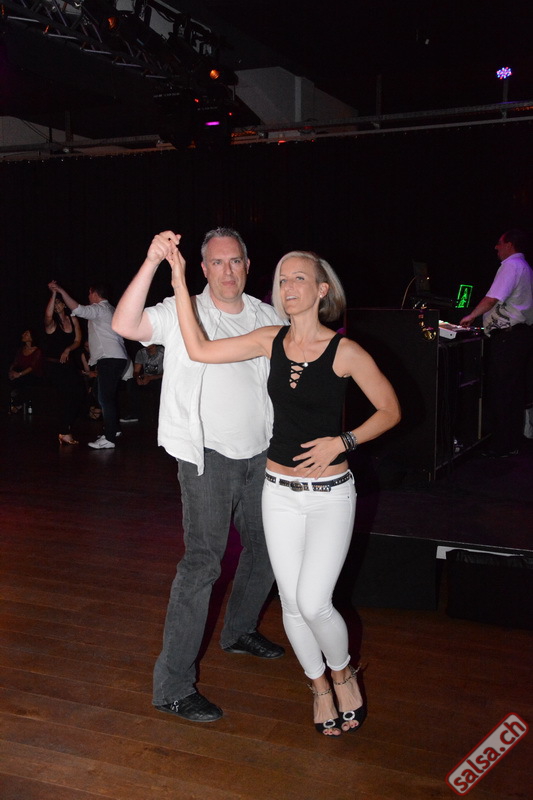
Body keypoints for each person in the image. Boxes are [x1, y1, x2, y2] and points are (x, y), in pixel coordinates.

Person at [164, 230, 401, 737]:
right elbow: (199, 349)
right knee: (292, 605)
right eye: (282, 279)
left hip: (330, 495)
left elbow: (390, 410)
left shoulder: (345, 351)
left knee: (314, 602)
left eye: (299, 278)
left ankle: (342, 673)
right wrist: (180, 281)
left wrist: (344, 441)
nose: (288, 286)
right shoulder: (269, 338)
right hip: (277, 491)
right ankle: (318, 686)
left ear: (321, 290)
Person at [112, 227, 286, 724]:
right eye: (217, 262)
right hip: (206, 458)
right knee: (203, 564)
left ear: (247, 266)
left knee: (266, 547)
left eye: (235, 261)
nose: (227, 271)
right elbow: (125, 323)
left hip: (262, 454)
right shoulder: (181, 309)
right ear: (203, 268)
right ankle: (172, 687)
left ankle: (239, 630)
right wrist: (153, 261)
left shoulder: (265, 315)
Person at [460, 229, 533, 457]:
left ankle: (501, 446)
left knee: (501, 392)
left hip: (508, 338)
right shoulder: (525, 266)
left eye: (499, 243)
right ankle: (511, 443)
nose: (496, 247)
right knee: (513, 392)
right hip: (521, 336)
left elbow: (492, 299)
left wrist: (470, 316)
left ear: (509, 244)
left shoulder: (511, 266)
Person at [48, 280, 128, 449]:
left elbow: (79, 309)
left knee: (105, 398)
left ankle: (109, 438)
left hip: (110, 359)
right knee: (100, 392)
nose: (88, 296)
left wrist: (61, 290)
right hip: (115, 358)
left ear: (94, 293)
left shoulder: (100, 308)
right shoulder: (110, 309)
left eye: (89, 293)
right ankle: (114, 429)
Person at [44, 285, 85, 445]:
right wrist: (54, 293)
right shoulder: (52, 324)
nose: (57, 305)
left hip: (68, 365)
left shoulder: (72, 319)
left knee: (78, 393)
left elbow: (78, 340)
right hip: (54, 366)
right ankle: (64, 431)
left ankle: (64, 429)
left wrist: (68, 349)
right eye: (54, 304)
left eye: (58, 302)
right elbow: (48, 315)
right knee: (66, 396)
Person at [8, 328, 45, 413]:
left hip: (33, 375)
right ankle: (13, 402)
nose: (23, 335)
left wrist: (19, 374)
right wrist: (11, 372)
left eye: (26, 334)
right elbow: (15, 362)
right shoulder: (21, 349)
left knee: (24, 380)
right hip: (20, 373)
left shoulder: (37, 351)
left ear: (32, 338)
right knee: (12, 378)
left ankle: (17, 404)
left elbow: (32, 367)